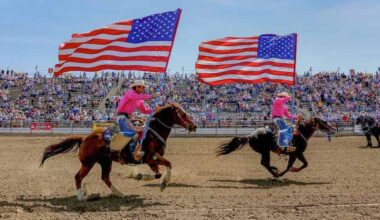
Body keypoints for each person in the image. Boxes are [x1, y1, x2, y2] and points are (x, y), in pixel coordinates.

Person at [116, 80, 160, 161]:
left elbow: (144, 110)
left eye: (143, 87)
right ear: (136, 87)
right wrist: (152, 96)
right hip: (122, 117)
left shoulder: (139, 100)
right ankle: (130, 153)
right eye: (141, 87)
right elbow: (139, 97)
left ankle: (136, 151)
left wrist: (153, 110)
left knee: (141, 132)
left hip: (128, 119)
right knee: (131, 134)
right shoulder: (130, 93)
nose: (143, 89)